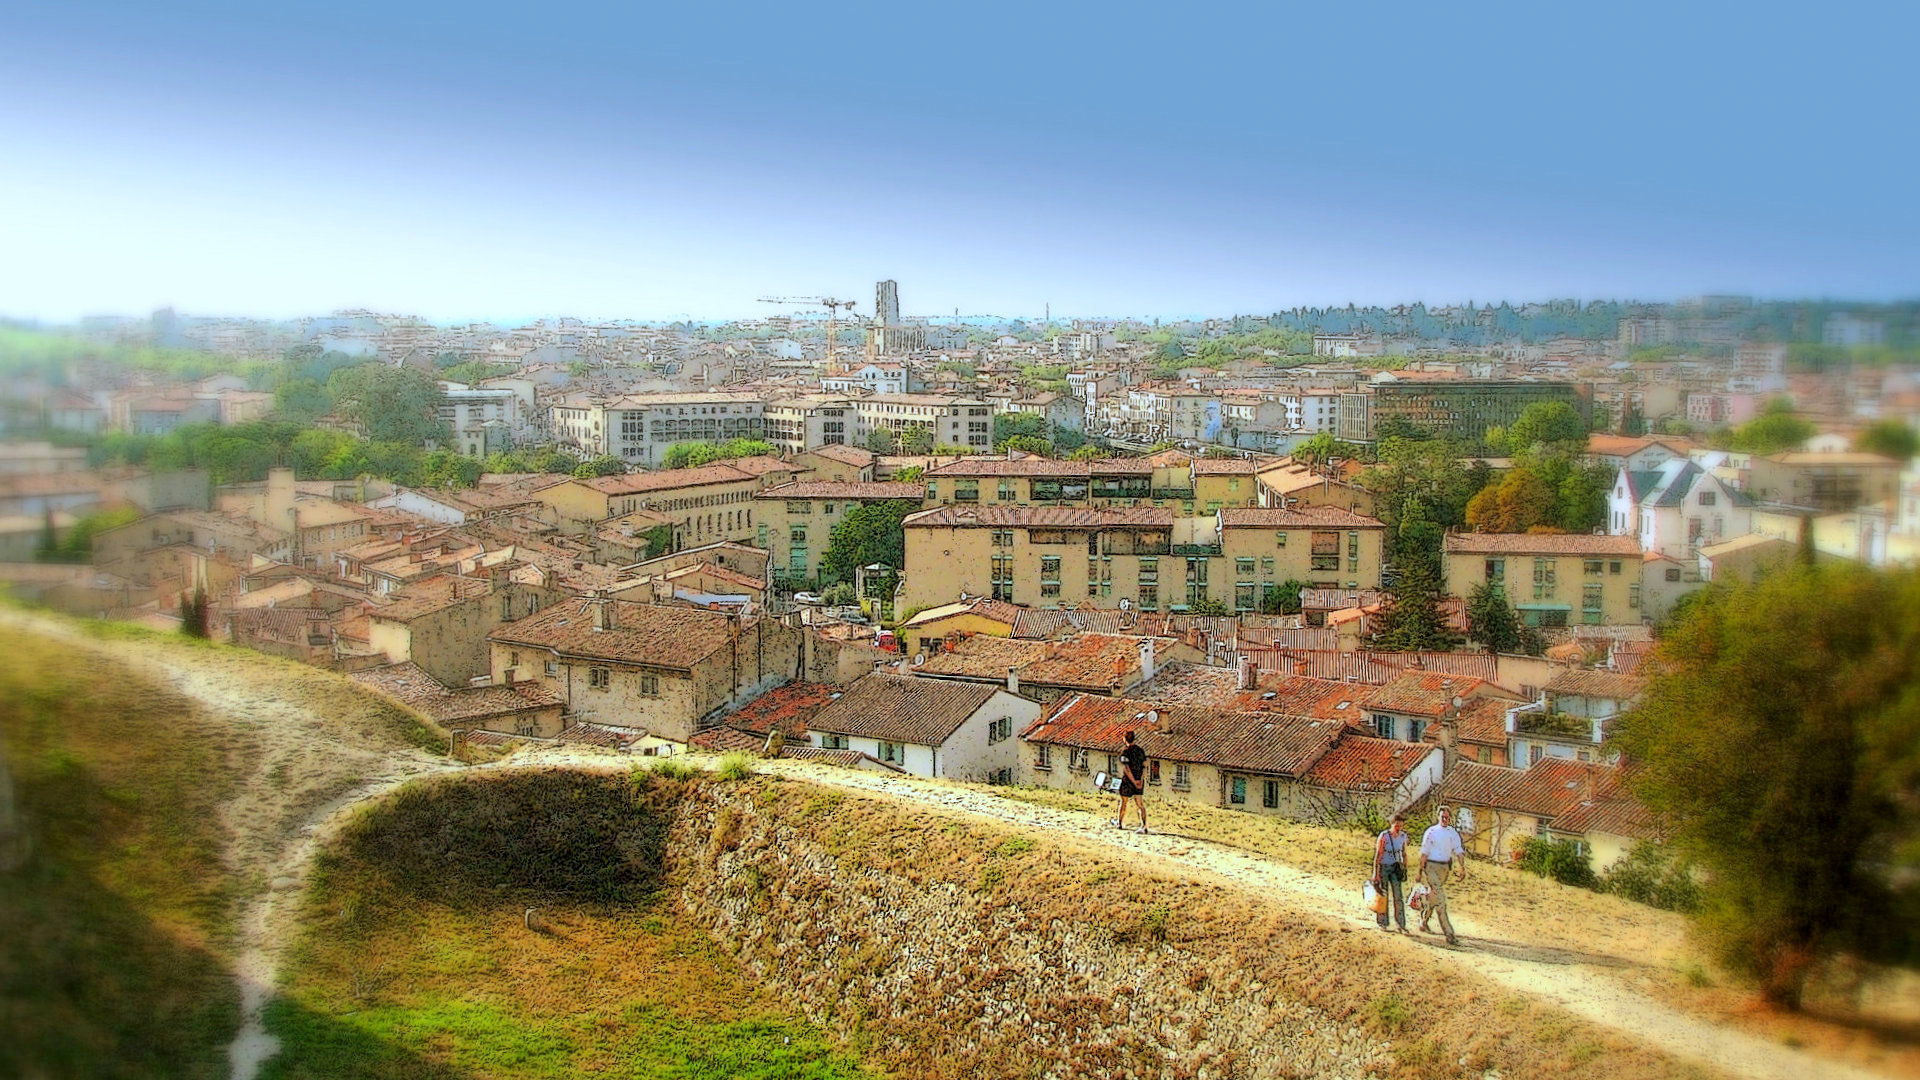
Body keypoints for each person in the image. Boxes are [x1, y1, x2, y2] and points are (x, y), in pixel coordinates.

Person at [1416, 805, 1467, 946]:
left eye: (1447, 817)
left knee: (1434, 897)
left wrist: (1462, 867)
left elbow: (1458, 851)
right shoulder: (1431, 832)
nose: (1445, 819)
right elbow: (1424, 852)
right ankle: (1449, 934)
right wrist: (1420, 871)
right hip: (1430, 867)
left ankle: (1423, 921)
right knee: (1441, 901)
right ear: (1438, 817)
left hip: (1444, 868)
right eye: (1442, 817)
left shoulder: (1453, 833)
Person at [1371, 813, 1411, 933]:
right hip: (1384, 866)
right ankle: (1382, 922)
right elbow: (1378, 855)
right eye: (1396, 824)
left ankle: (1401, 924)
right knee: (1383, 895)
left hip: (1395, 867)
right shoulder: (1384, 836)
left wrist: (1404, 867)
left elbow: (1403, 852)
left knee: (1398, 896)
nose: (1398, 826)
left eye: (1400, 824)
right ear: (1392, 824)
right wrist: (1376, 873)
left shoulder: (1403, 836)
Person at [1109, 730, 1149, 834]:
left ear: (1124, 739)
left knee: (1124, 803)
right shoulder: (1141, 751)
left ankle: (1119, 823)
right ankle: (1143, 826)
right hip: (1139, 780)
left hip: (1128, 781)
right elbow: (1145, 766)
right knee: (1140, 804)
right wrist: (1140, 780)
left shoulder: (1125, 752)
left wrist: (1133, 781)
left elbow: (1127, 768)